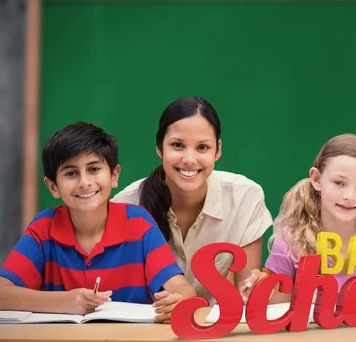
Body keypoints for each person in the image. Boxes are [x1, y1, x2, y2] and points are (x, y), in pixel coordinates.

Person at [0, 122, 195, 322]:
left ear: (114, 175)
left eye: (94, 169)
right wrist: (65, 302)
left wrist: (178, 302)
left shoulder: (138, 224)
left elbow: (184, 290)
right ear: (52, 187)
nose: (84, 182)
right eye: (71, 173)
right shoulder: (43, 228)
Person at [112, 96, 273, 305]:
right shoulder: (126, 205)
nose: (189, 159)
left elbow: (247, 295)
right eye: (177, 145)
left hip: (211, 330)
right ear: (160, 148)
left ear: (218, 149)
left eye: (202, 147)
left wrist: (255, 287)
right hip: (144, 329)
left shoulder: (245, 197)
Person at [240, 133, 356, 303]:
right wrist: (258, 289)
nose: (349, 196)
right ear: (316, 179)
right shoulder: (290, 241)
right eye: (339, 183)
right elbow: (276, 301)